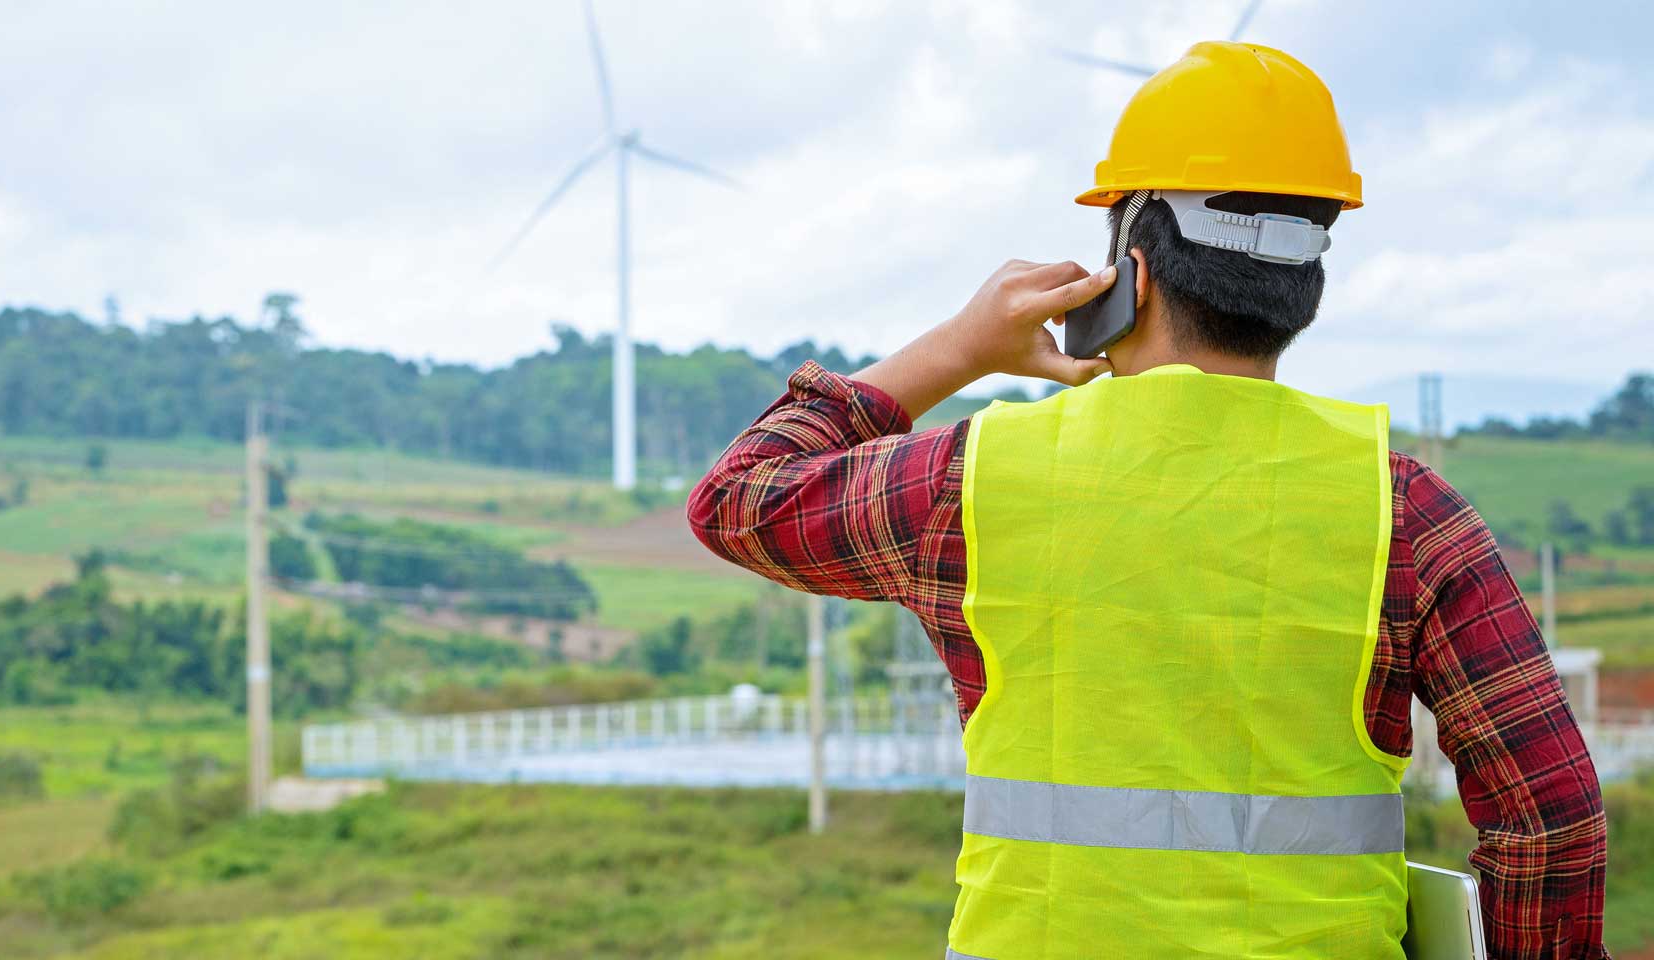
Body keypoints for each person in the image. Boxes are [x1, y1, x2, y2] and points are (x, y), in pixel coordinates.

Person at [686, 42, 1606, 959]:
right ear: (1307, 279)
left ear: (1130, 264)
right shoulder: (1405, 511)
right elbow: (1550, 820)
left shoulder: (978, 480)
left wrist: (957, 350)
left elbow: (739, 500)